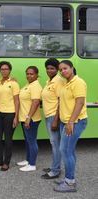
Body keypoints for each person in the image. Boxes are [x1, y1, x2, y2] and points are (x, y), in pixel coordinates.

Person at [54, 60, 87, 193]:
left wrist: (71, 122)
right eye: (61, 70)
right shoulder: (66, 83)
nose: (63, 71)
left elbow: (79, 103)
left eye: (65, 68)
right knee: (69, 151)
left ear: (72, 68)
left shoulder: (78, 82)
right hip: (66, 121)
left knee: (65, 151)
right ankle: (69, 178)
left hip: (75, 122)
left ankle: (70, 183)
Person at [0, 61, 20, 171]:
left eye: (6, 69)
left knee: (8, 139)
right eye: (2, 69)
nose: (4, 71)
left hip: (10, 113)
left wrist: (16, 117)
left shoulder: (14, 83)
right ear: (0, 70)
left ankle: (6, 162)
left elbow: (17, 101)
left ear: (9, 70)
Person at [41, 58, 65, 179]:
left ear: (57, 69)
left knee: (55, 144)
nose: (49, 70)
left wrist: (56, 119)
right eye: (48, 68)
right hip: (49, 115)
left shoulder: (58, 81)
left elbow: (61, 101)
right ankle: (55, 166)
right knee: (54, 143)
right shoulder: (49, 81)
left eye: (52, 68)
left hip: (54, 117)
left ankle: (55, 171)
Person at [17, 66, 42, 172]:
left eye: (31, 74)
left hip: (31, 119)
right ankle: (28, 160)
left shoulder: (36, 85)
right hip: (25, 118)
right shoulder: (29, 84)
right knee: (27, 140)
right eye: (27, 73)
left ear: (37, 75)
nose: (29, 76)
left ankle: (32, 164)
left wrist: (28, 117)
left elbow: (36, 102)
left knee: (31, 141)